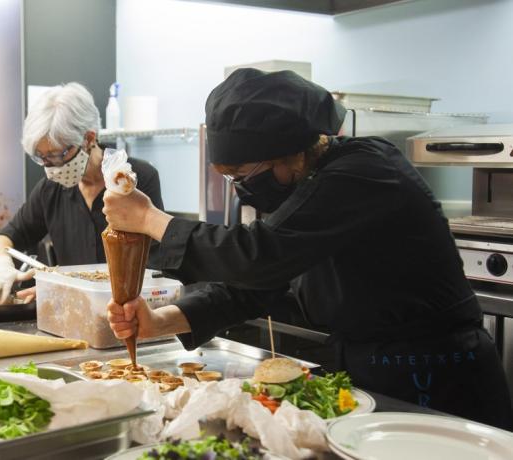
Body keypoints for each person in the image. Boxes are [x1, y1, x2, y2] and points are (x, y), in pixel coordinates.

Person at [102, 69, 513, 430]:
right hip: (368, 369)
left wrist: (149, 219)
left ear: (293, 153)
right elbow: (259, 283)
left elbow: (260, 256)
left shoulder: (364, 171)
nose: (240, 188)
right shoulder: (306, 187)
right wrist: (162, 320)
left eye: (242, 175)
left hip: (433, 375)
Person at [0, 82, 163, 303]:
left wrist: (65, 288)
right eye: (41, 157)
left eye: (57, 155)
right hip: (75, 314)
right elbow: (5, 237)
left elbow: (154, 266)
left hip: (129, 309)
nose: (50, 166)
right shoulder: (50, 190)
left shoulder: (135, 180)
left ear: (89, 139)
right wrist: (2, 262)